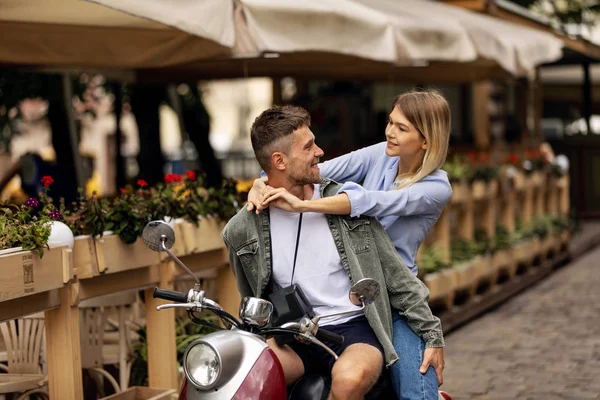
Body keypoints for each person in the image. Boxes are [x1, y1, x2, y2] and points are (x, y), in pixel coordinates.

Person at [221, 105, 445, 400]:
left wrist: (432, 334)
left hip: (353, 328)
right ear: (279, 160)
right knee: (242, 374)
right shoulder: (241, 230)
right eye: (309, 146)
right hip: (292, 334)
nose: (320, 151)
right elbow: (251, 296)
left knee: (353, 379)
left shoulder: (347, 206)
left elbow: (397, 277)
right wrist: (259, 184)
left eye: (401, 127)